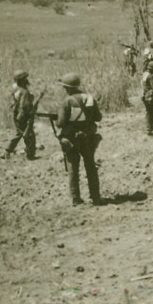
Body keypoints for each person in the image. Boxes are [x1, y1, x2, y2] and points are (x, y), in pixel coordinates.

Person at [55, 73, 103, 206]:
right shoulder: (89, 98)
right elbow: (98, 117)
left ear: (68, 88)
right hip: (88, 138)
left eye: (65, 87)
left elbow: (60, 123)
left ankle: (76, 198)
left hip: (72, 139)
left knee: (73, 168)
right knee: (91, 167)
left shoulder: (67, 101)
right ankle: (96, 197)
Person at [5, 70, 37, 159]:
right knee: (29, 135)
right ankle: (30, 154)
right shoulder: (24, 92)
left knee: (19, 133)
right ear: (23, 80)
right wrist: (26, 114)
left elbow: (15, 103)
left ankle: (8, 150)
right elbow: (24, 106)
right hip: (23, 115)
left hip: (16, 114)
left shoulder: (16, 90)